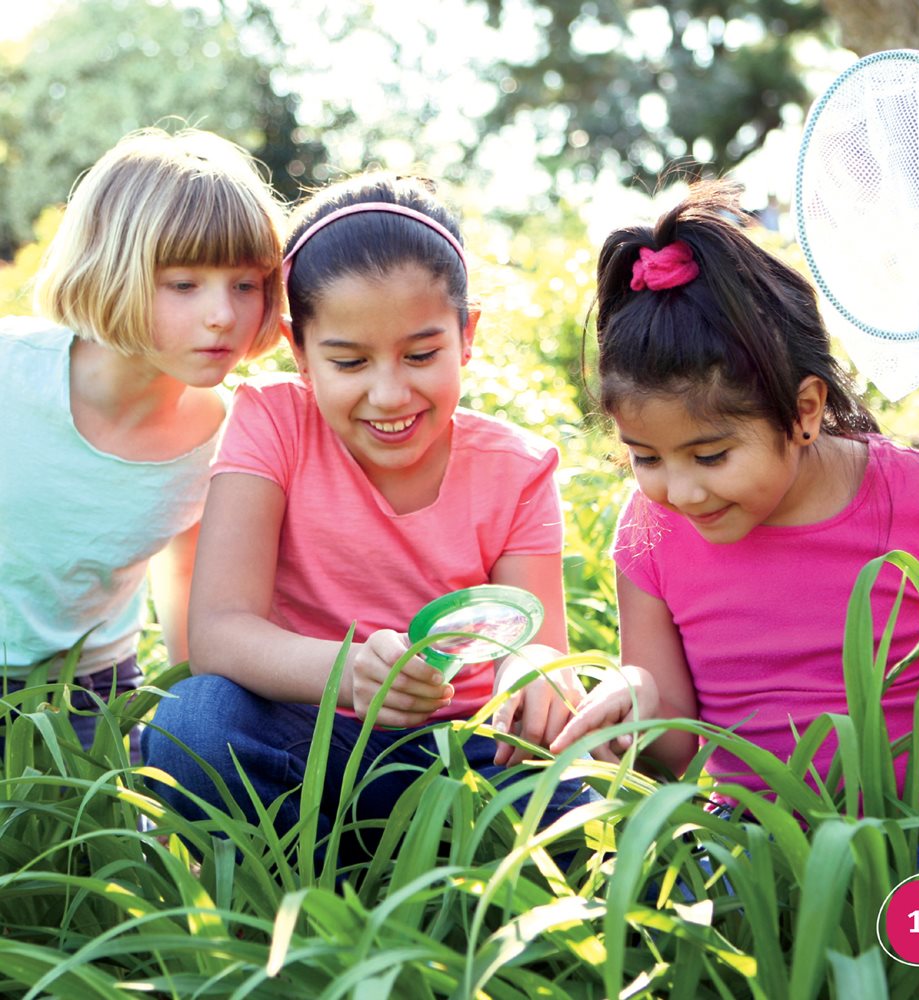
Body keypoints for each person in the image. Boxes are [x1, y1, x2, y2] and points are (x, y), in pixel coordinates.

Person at [141, 174, 586, 863]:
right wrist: (351, 674)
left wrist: (529, 674)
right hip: (311, 740)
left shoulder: (518, 470)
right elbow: (219, 634)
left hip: (461, 756)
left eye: (421, 355)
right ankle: (329, 873)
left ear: (467, 336)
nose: (388, 393)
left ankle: (428, 867)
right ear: (299, 350)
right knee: (193, 725)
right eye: (348, 361)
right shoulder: (272, 423)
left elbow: (539, 645)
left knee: (575, 799)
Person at [550, 179, 919, 811]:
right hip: (759, 842)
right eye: (645, 457)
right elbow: (682, 750)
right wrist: (638, 705)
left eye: (711, 455)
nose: (680, 491)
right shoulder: (650, 529)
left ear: (804, 410)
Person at [0, 127, 285, 759]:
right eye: (184, 284)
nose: (223, 315)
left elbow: (184, 579)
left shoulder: (223, 431)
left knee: (87, 856)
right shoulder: (9, 370)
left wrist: (191, 735)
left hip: (92, 692)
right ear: (111, 271)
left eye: (245, 284)